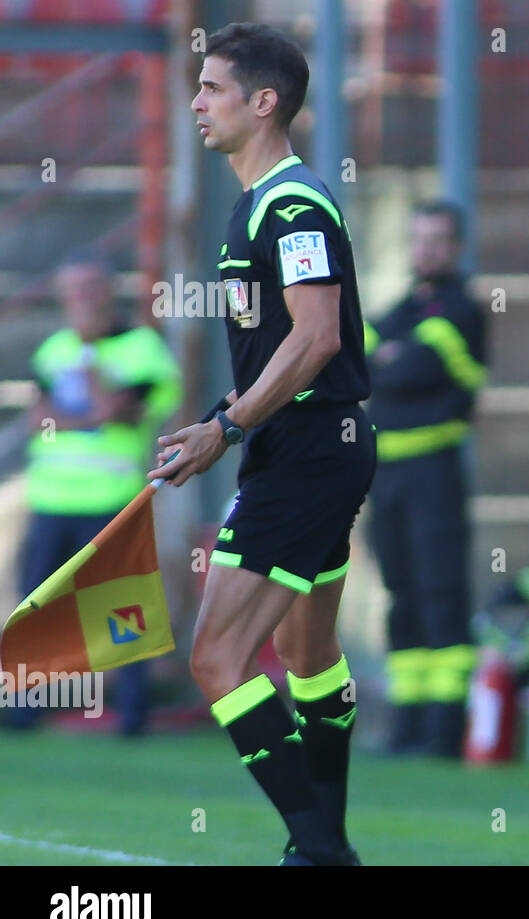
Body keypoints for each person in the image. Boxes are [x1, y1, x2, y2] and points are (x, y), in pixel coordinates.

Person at [149, 22, 376, 866]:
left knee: (216, 658)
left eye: (212, 87)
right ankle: (322, 848)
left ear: (264, 101)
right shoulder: (258, 205)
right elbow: (287, 341)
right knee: (306, 654)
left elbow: (317, 339)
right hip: (309, 445)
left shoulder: (292, 203)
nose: (197, 101)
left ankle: (321, 851)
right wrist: (222, 415)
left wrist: (228, 426)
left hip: (310, 450)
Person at [6, 248, 180, 734]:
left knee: (121, 608)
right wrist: (82, 417)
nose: (78, 299)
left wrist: (89, 380)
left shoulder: (142, 349)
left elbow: (117, 411)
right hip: (51, 499)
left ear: (108, 291)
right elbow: (38, 421)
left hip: (110, 499)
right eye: (71, 289)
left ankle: (132, 715)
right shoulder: (53, 349)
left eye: (88, 288)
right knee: (35, 605)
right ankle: (23, 711)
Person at [363, 199, 487, 757]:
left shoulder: (464, 309)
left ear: (456, 247)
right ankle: (407, 723)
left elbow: (410, 370)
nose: (426, 250)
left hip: (434, 469)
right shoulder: (400, 310)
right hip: (385, 474)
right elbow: (357, 363)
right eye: (419, 239)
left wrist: (390, 358)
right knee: (400, 593)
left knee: (441, 592)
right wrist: (387, 358)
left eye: (437, 240)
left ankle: (443, 730)